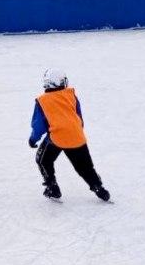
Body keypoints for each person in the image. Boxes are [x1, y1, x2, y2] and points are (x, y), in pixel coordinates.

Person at [29, 69, 110, 202]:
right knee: (85, 167)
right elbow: (78, 116)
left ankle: (52, 187)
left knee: (43, 160)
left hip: (57, 138)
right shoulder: (71, 95)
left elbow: (39, 125)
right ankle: (98, 187)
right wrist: (77, 130)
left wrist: (33, 139)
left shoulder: (42, 101)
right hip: (77, 135)